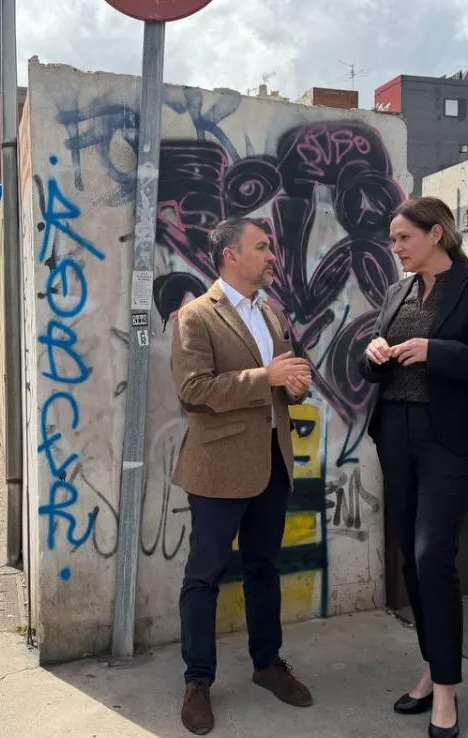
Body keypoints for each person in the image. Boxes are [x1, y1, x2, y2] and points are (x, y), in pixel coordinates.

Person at [360, 197, 468, 738]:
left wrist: (439, 351)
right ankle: (432, 670)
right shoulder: (396, 291)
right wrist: (375, 353)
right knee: (412, 557)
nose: (396, 247)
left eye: (403, 237)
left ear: (435, 235)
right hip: (395, 433)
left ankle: (447, 692)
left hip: (449, 439)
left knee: (435, 556)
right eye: (393, 239)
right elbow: (368, 370)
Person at [170, 216, 314, 735]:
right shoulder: (195, 317)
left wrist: (295, 384)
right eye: (261, 246)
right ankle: (197, 681)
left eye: (271, 245)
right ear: (231, 255)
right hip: (217, 467)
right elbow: (193, 390)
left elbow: (286, 380)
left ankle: (267, 664)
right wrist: (266, 377)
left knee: (263, 569)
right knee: (204, 574)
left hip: (272, 463)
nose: (272, 253)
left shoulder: (272, 315)